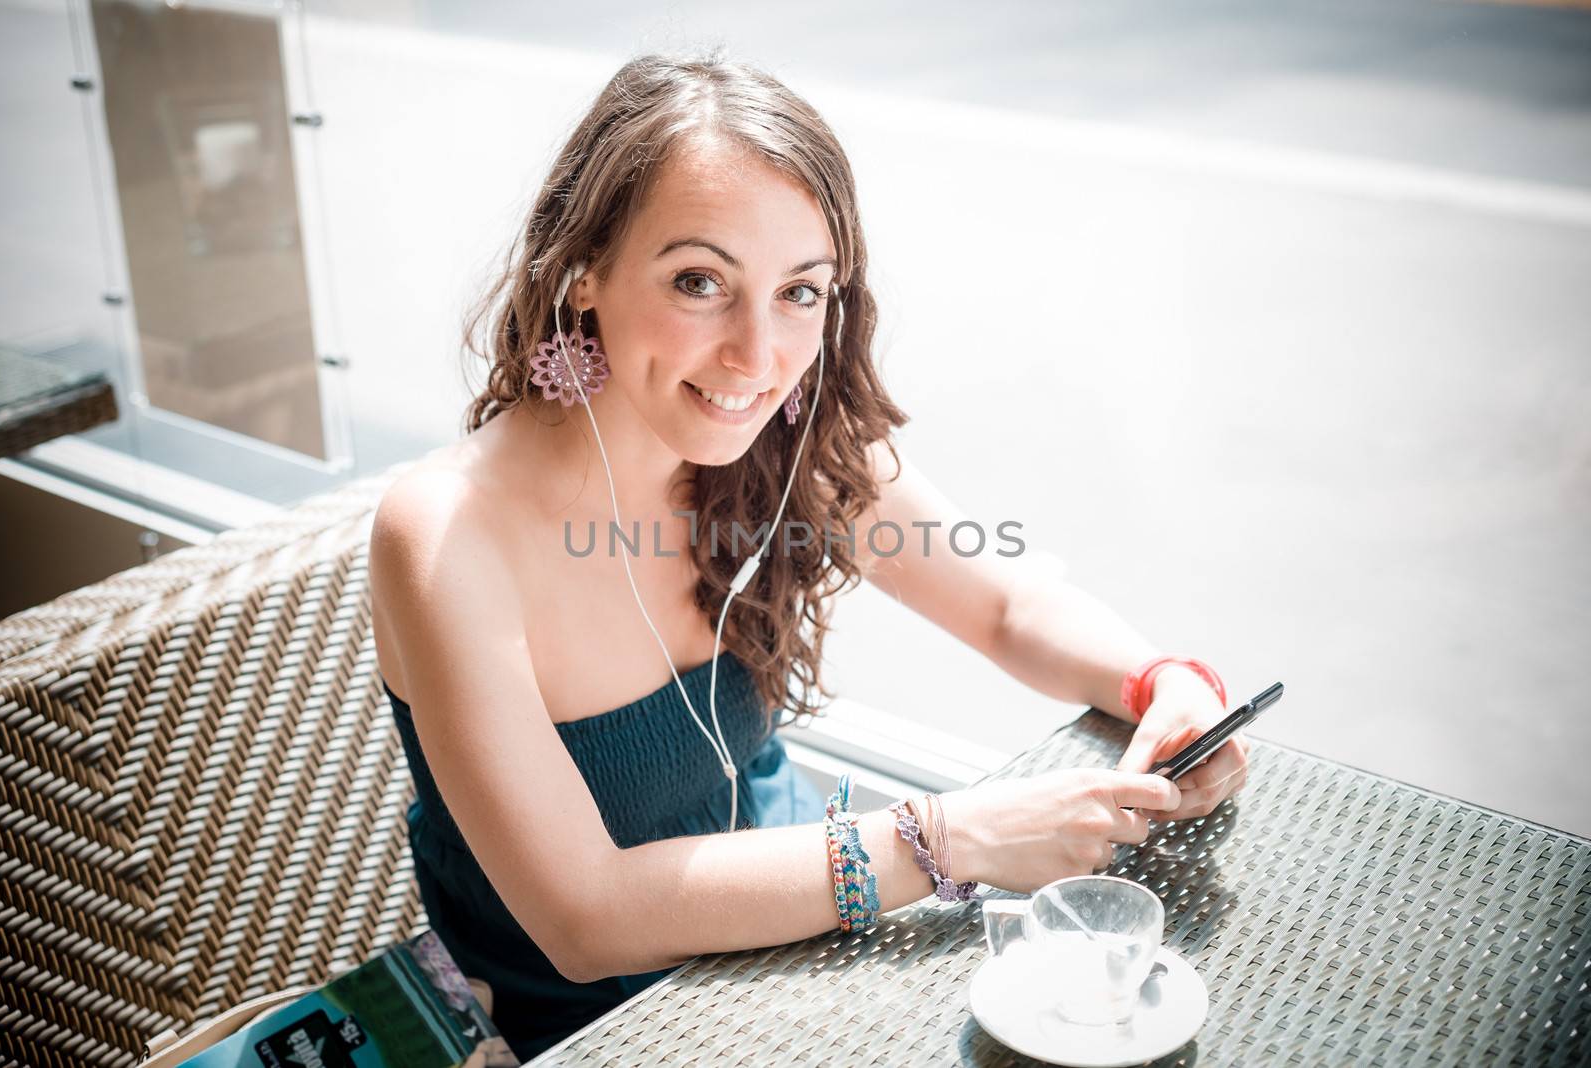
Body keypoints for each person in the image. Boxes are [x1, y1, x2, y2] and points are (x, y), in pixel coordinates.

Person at [367, 52, 1249, 1060]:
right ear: (582, 272)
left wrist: (1162, 682)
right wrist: (951, 839)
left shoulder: (786, 438)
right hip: (603, 1032)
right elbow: (585, 918)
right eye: (699, 281)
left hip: (803, 951)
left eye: (799, 292)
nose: (757, 356)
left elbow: (1004, 605)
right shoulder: (445, 535)